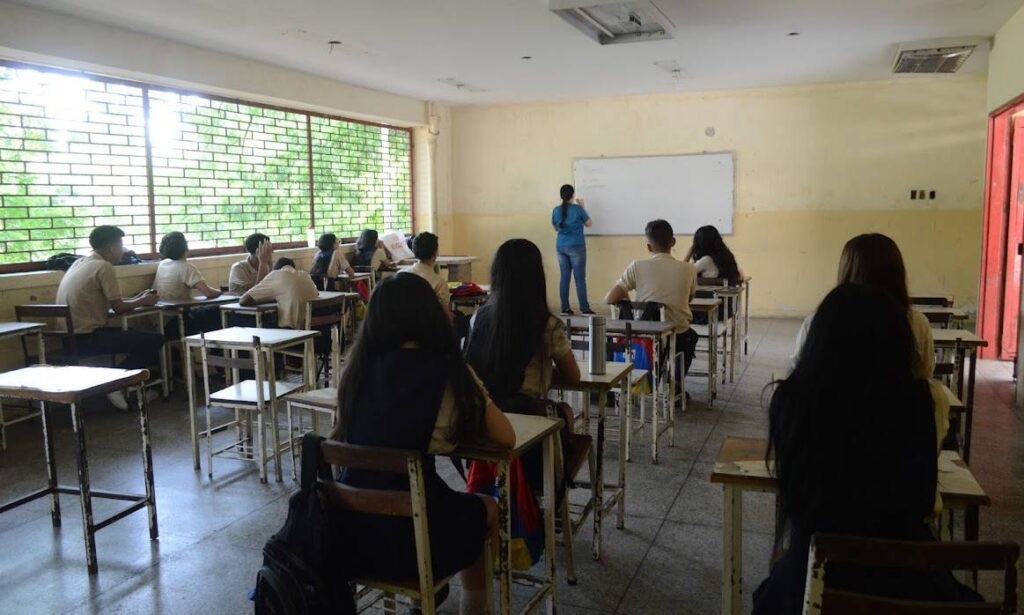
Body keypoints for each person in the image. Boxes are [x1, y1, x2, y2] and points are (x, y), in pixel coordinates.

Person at [753, 283, 966, 614]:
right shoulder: (929, 400)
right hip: (908, 577)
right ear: (899, 340)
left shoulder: (789, 400)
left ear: (818, 339)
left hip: (812, 573)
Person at [329, 273, 515, 615]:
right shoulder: (447, 370)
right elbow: (506, 437)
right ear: (428, 314)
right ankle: (475, 609)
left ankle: (423, 598)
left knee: (436, 503)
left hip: (347, 534)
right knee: (485, 508)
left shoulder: (355, 370)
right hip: (413, 544)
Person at [793, 233, 934, 379]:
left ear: (846, 273)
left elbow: (799, 367)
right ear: (897, 275)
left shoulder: (817, 322)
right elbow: (924, 374)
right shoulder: (917, 323)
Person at [55, 225, 164, 410]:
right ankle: (115, 382)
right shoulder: (103, 266)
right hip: (86, 338)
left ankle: (122, 383)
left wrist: (139, 299)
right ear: (111, 247)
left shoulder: (80, 263)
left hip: (68, 338)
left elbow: (114, 302)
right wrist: (144, 300)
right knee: (154, 340)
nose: (123, 249)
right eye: (121, 244)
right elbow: (119, 308)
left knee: (133, 334)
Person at [465, 238, 579, 403]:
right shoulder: (547, 325)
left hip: (484, 411)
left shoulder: (478, 317)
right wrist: (542, 371)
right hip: (525, 410)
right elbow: (573, 376)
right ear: (537, 277)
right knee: (566, 411)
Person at [605, 219, 699, 378]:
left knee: (608, 337)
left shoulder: (637, 266)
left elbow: (610, 298)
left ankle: (614, 383)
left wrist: (628, 300)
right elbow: (689, 299)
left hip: (645, 337)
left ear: (649, 247)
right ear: (673, 242)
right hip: (677, 337)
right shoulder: (689, 269)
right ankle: (676, 383)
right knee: (692, 336)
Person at [153, 232, 222, 333]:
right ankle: (216, 348)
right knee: (218, 313)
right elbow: (208, 293)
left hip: (159, 321)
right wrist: (222, 292)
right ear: (185, 249)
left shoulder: (163, 264)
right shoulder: (186, 267)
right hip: (177, 321)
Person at [239, 258, 319, 329]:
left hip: (292, 331)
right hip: (315, 328)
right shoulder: (304, 275)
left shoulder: (276, 275)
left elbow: (243, 300)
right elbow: (317, 294)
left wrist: (271, 299)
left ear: (276, 269)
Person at [551, 184, 593, 315]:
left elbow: (556, 228)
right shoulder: (578, 209)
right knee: (580, 278)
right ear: (573, 195)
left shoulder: (556, 210)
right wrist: (582, 207)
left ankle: (565, 308)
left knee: (564, 277)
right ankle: (584, 309)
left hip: (561, 246)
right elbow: (589, 224)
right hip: (576, 246)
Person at [400, 232, 451, 315]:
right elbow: (445, 315)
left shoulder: (400, 275)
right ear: (435, 254)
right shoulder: (439, 283)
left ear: (414, 251)